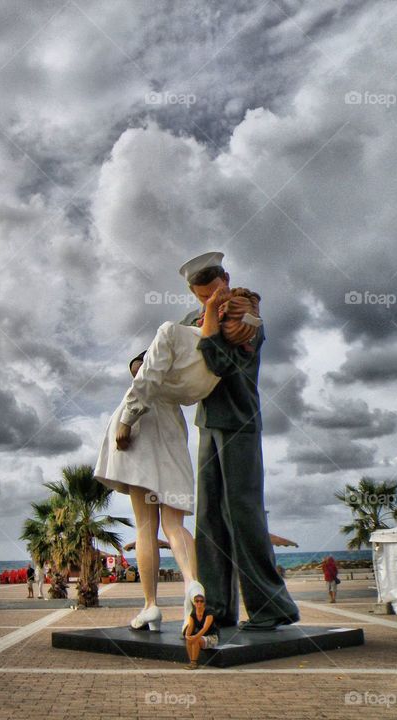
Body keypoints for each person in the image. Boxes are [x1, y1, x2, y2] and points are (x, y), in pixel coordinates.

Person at [94, 288, 258, 630]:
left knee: (145, 526)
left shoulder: (146, 377)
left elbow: (143, 385)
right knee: (174, 524)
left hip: (139, 432)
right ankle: (191, 583)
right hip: (172, 437)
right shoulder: (191, 376)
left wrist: (127, 419)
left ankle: (151, 605)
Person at [179, 251, 300, 631]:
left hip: (239, 423)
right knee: (209, 518)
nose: (209, 301)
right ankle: (216, 606)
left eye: (214, 291)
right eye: (202, 298)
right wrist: (140, 362)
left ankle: (271, 607)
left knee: (243, 513)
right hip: (207, 424)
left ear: (227, 279)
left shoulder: (249, 317)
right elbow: (173, 349)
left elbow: (219, 363)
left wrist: (213, 317)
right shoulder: (193, 320)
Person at [183, 591, 219, 670]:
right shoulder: (193, 614)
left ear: (204, 603)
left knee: (196, 640)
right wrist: (187, 636)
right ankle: (192, 661)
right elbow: (190, 627)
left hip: (212, 637)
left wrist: (195, 636)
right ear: (194, 603)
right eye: (197, 601)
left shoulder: (209, 612)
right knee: (189, 640)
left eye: (201, 601)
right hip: (202, 636)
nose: (199, 603)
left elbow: (205, 628)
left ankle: (194, 662)